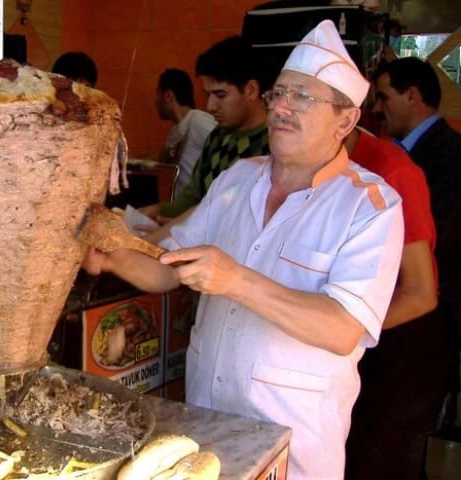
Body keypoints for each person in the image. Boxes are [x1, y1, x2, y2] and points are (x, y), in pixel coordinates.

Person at [83, 20, 404, 479]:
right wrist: (111, 255)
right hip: (209, 423)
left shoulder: (370, 206)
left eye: (303, 98)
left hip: (294, 440)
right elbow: (167, 268)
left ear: (346, 120)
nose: (282, 109)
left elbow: (342, 329)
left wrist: (235, 281)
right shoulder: (239, 178)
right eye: (279, 94)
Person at [365, 56, 461, 478]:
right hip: (389, 323)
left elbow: (436, 239)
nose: (378, 109)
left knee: (395, 442)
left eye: (383, 97)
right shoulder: (394, 154)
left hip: (426, 323)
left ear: (413, 95)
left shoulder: (449, 155)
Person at [343, 126, 442, 479]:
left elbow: (420, 294)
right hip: (345, 340)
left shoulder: (391, 168)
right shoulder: (292, 165)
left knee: (377, 459)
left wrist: (337, 330)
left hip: (397, 342)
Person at [139, 36, 269, 224]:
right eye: (208, 95)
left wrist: (187, 223)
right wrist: (156, 211)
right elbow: (192, 197)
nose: (210, 106)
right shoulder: (217, 138)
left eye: (220, 95)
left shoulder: (273, 145)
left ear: (250, 90)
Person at [153, 68, 216, 193]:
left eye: (158, 94)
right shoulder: (175, 132)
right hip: (182, 208)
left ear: (168, 96)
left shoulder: (198, 120)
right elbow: (156, 160)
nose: (156, 101)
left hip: (199, 208)